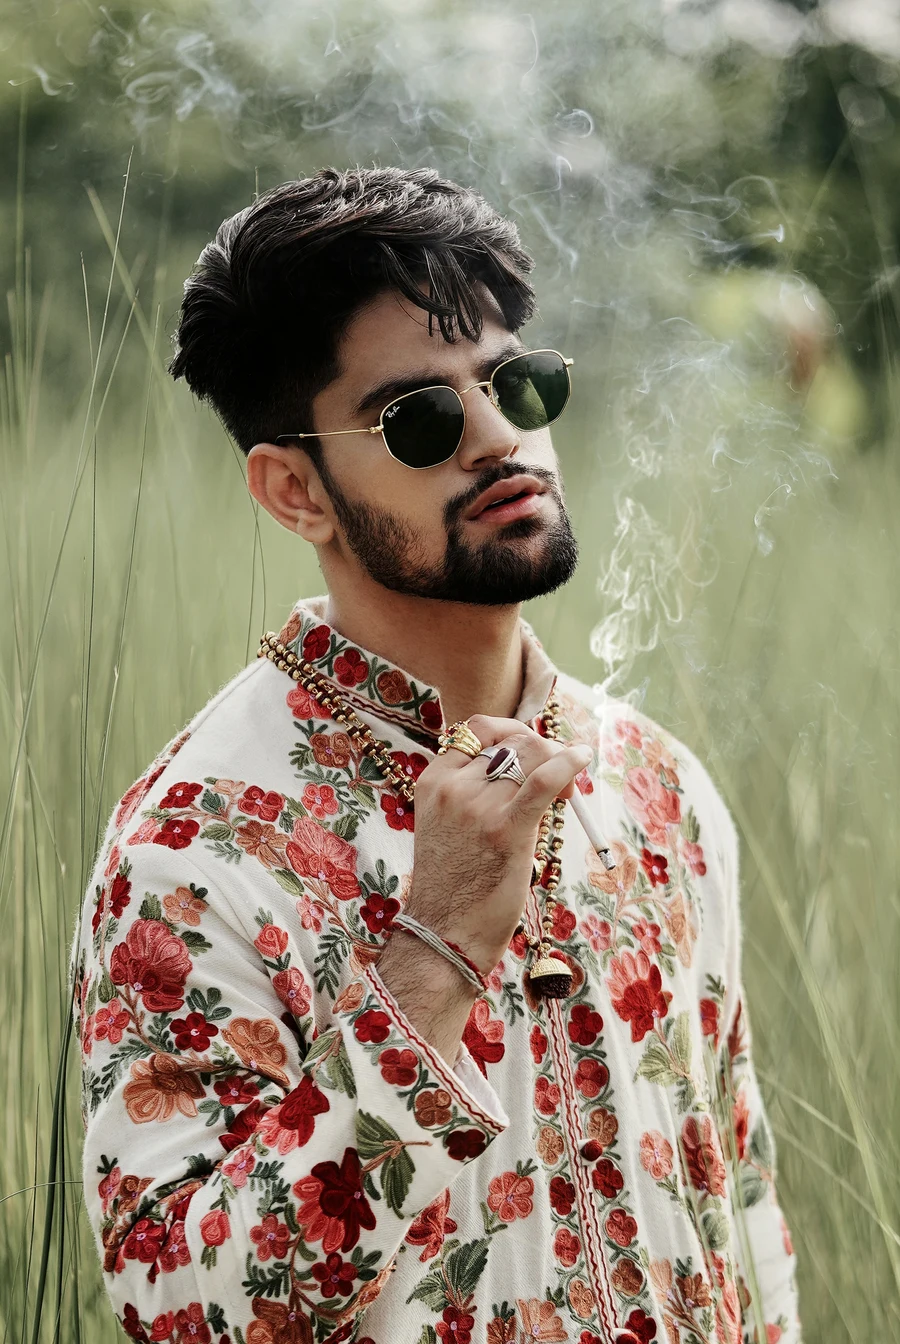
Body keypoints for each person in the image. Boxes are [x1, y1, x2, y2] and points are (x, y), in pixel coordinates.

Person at [73, 166, 801, 1344]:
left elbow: (744, 1216)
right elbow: (187, 1316)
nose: (502, 437)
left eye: (515, 383)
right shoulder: (195, 844)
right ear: (294, 490)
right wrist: (439, 946)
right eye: (420, 417)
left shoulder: (658, 783)